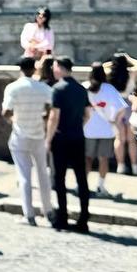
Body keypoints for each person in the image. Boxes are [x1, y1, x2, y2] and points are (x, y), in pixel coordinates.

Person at [2, 57, 54, 225]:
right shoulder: (44, 88)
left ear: (20, 69)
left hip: (20, 135)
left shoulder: (13, 88)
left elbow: (6, 112)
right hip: (38, 134)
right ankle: (48, 210)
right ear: (34, 69)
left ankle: (29, 214)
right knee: (42, 173)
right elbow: (50, 108)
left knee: (24, 176)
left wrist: (15, 120)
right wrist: (43, 119)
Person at [46, 57, 91, 233]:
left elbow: (53, 117)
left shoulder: (58, 89)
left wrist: (48, 139)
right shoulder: (81, 89)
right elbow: (88, 114)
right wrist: (78, 126)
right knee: (81, 178)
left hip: (61, 139)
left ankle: (62, 217)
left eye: (55, 66)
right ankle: (84, 218)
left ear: (60, 68)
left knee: (60, 179)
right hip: (78, 137)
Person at [85, 62, 127, 199]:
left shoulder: (85, 87)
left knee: (87, 159)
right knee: (104, 159)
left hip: (88, 129)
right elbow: (122, 108)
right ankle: (101, 186)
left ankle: (83, 184)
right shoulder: (109, 88)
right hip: (106, 129)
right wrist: (114, 120)